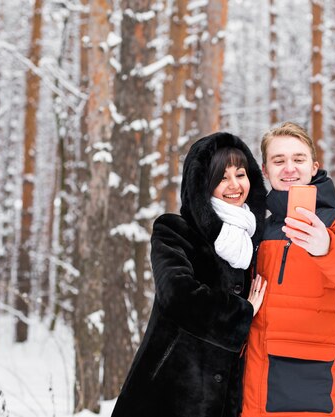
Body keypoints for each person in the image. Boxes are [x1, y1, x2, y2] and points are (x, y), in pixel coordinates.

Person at [111, 132, 268, 417]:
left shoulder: (254, 244)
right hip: (167, 393)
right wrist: (240, 311)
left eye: (240, 174)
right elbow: (178, 295)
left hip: (223, 402)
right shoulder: (174, 231)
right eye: (222, 177)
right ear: (202, 184)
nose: (234, 185)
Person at [240, 122, 335, 417]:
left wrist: (325, 246)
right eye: (279, 160)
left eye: (298, 159)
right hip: (251, 381)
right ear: (265, 170)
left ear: (314, 166)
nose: (289, 168)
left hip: (306, 384)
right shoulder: (256, 228)